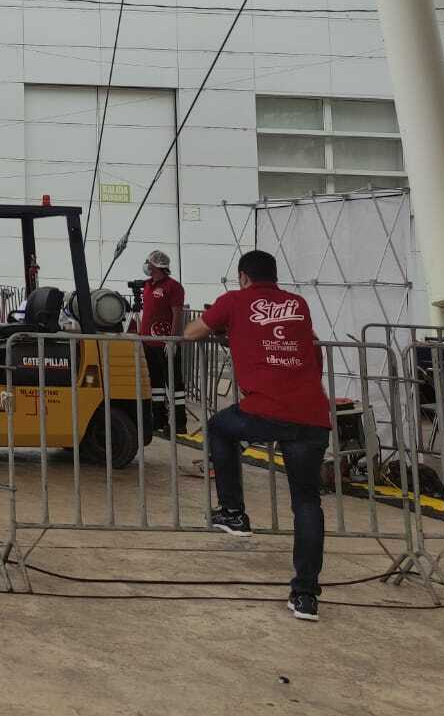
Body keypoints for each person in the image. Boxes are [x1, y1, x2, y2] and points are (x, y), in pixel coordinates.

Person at [183, 250, 331, 621]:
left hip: (266, 408)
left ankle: (233, 511)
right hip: (312, 413)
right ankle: (306, 596)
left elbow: (191, 332)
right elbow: (314, 347)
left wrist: (224, 329)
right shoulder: (298, 303)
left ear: (243, 277)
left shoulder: (234, 300)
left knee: (218, 426)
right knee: (307, 504)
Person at [137, 249, 187, 435]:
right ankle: (158, 419)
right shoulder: (148, 285)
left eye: (149, 263)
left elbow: (177, 314)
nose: (146, 266)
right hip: (149, 342)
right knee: (155, 383)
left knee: (173, 383)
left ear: (157, 266)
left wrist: (173, 339)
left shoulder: (173, 287)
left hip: (166, 344)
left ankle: (180, 422)